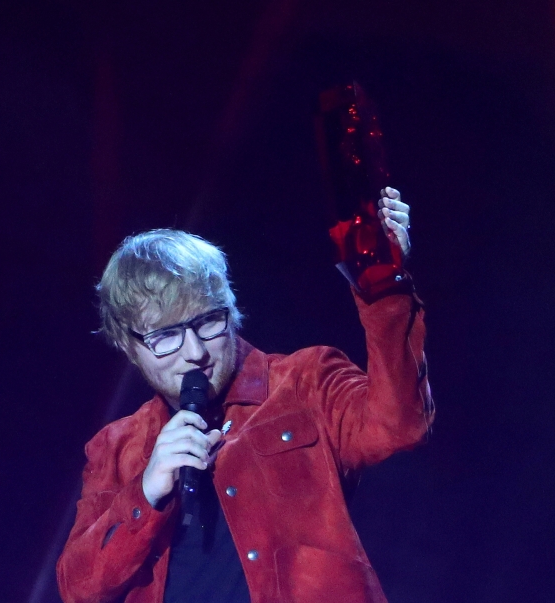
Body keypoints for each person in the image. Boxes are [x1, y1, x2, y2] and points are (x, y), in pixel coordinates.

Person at [57, 188, 433, 603]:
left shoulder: (305, 381)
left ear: (230, 309)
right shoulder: (116, 449)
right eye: (166, 336)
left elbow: (400, 425)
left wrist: (381, 283)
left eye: (208, 322)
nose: (195, 352)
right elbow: (79, 588)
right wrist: (146, 492)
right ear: (130, 348)